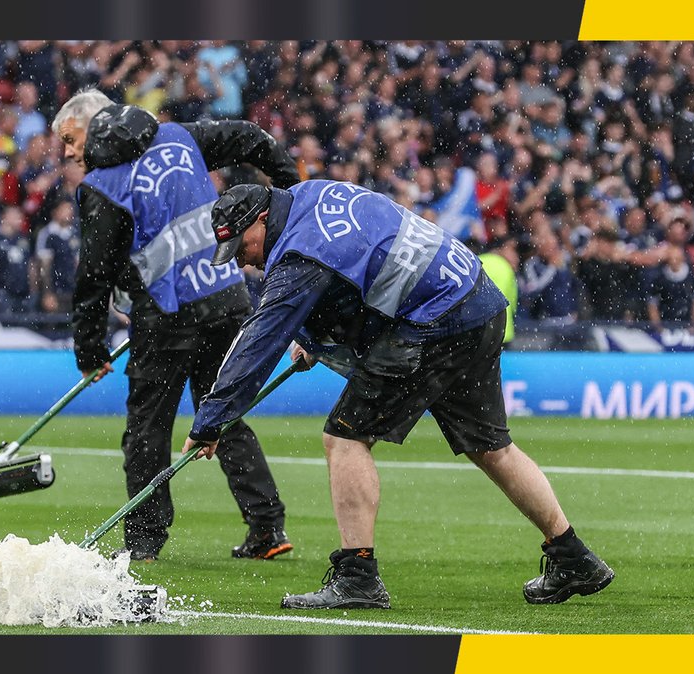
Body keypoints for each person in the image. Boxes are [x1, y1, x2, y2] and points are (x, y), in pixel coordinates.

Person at [183, 181, 614, 609]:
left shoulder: (300, 253)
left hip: (435, 320)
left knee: (346, 438)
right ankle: (573, 557)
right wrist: (316, 336)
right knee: (492, 446)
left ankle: (357, 578)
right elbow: (363, 257)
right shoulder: (309, 193)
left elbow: (259, 341)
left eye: (243, 246)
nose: (242, 259)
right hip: (476, 301)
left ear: (261, 219)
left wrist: (211, 422)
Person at [52, 90, 298, 561]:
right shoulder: (179, 136)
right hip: (226, 295)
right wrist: (289, 194)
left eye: (69, 138)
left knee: (147, 429)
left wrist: (89, 348)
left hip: (167, 315)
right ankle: (267, 526)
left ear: (95, 122)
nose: (66, 152)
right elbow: (251, 138)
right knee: (221, 414)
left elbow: (93, 275)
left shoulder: (104, 183)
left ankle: (144, 542)